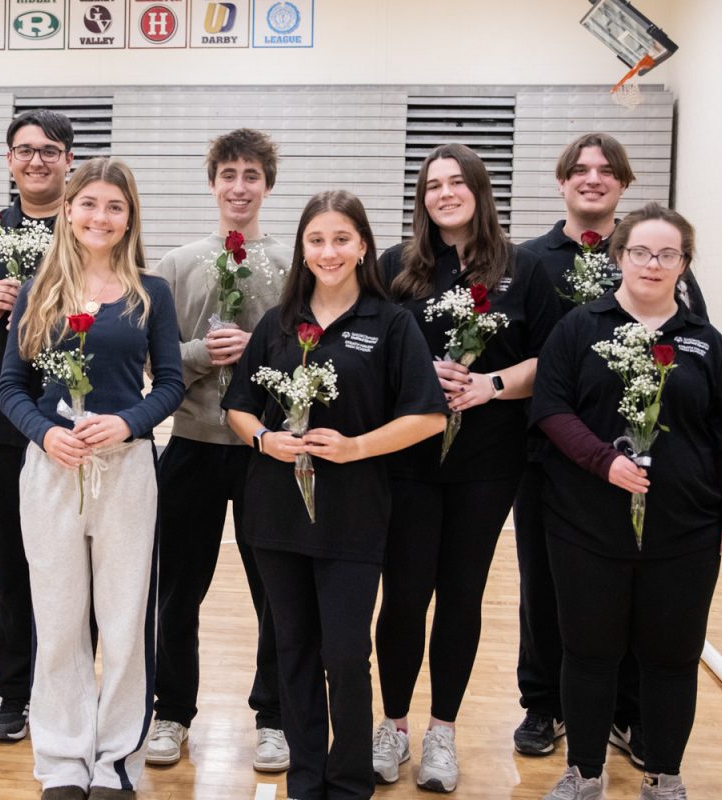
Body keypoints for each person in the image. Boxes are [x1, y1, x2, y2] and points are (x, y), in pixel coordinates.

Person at [224, 190, 447, 800]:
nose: (329, 251)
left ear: (363, 246)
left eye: (341, 239)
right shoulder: (278, 322)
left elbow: (428, 416)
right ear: (303, 248)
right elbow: (239, 408)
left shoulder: (390, 323)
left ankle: (349, 783)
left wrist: (355, 447)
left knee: (346, 654)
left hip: (355, 515)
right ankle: (306, 778)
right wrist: (266, 439)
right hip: (275, 514)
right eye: (317, 240)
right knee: (292, 649)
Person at [533, 203, 722, 800]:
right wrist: (604, 461)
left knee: (672, 658)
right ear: (619, 256)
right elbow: (551, 409)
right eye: (640, 252)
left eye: (667, 254)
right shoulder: (579, 328)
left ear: (684, 264)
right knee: (588, 653)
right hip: (585, 527)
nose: (652, 264)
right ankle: (583, 772)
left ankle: (663, 773)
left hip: (684, 533)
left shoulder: (708, 344)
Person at [372, 144, 561, 791]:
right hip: (407, 458)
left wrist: (491, 385)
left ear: (479, 191)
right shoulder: (396, 267)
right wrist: (417, 374)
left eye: (457, 182)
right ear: (421, 198)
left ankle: (442, 735)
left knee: (460, 595)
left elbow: (549, 359)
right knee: (402, 596)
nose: (445, 193)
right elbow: (366, 350)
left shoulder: (525, 268)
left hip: (488, 460)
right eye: (433, 185)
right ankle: (392, 728)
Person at [514, 133, 708, 763]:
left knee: (633, 592)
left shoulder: (660, 259)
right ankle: (544, 706)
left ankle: (623, 712)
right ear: (561, 180)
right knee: (546, 588)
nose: (592, 179)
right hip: (550, 460)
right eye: (580, 169)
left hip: (641, 468)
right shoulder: (527, 262)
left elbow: (691, 350)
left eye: (606, 171)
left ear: (624, 184)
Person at [0, 157, 184, 800]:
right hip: (50, 470)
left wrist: (129, 423)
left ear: (129, 217)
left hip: (126, 472)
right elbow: (10, 387)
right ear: (69, 210)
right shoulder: (36, 291)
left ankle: (116, 762)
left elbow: (172, 384)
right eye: (89, 204)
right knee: (57, 620)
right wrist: (45, 432)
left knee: (126, 618)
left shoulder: (150, 292)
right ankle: (62, 760)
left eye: (115, 206)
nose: (100, 217)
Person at [147, 128, 291, 772]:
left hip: (264, 451)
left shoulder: (292, 268)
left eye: (251, 175)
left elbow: (304, 361)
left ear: (267, 185)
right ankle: (172, 713)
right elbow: (153, 366)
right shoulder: (176, 266)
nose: (239, 186)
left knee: (277, 593)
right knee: (178, 592)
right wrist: (205, 355)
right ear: (212, 183)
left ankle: (275, 718)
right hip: (192, 448)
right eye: (228, 174)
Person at [0, 109, 74, 741]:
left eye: (49, 151)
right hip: (2, 424)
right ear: (9, 160)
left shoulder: (91, 222)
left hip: (76, 421)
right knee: (14, 566)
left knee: (74, 566)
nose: (36, 160)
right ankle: (15, 694)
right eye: (24, 150)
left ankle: (73, 688)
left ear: (68, 161)